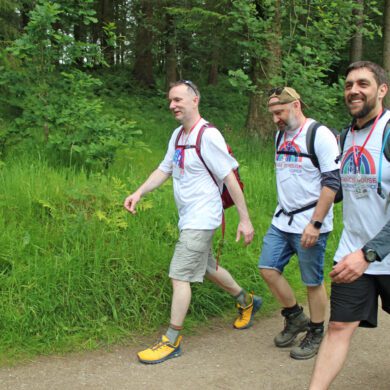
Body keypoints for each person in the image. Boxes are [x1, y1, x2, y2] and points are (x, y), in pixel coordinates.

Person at [124, 80, 261, 365]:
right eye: (170, 101)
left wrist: (245, 220)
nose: (172, 105)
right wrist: (139, 191)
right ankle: (247, 300)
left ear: (195, 100)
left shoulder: (208, 135)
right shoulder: (177, 135)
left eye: (178, 100)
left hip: (203, 216)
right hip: (188, 217)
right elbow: (165, 168)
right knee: (208, 267)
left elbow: (230, 178)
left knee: (180, 275)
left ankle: (172, 340)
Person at [309, 61, 390, 389]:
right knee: (339, 327)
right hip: (353, 253)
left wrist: (368, 253)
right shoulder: (346, 135)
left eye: (363, 84)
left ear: (382, 90)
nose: (354, 90)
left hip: (375, 254)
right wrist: (313, 214)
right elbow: (349, 185)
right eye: (348, 85)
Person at [258, 87, 340, 360]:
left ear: (296, 105)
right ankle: (295, 317)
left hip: (310, 222)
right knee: (268, 268)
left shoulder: (320, 135)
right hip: (282, 220)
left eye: (279, 112)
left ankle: (316, 331)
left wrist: (315, 224)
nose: (275, 119)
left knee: (312, 281)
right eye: (272, 114)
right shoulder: (280, 135)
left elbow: (332, 182)